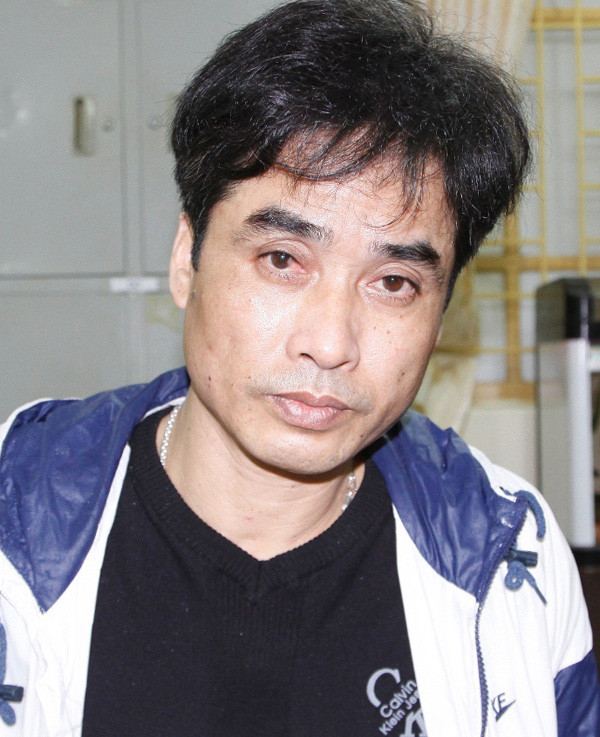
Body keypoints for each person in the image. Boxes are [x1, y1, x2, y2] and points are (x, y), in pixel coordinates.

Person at [0, 0, 598, 734]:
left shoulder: (510, 557)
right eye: (282, 260)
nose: (331, 341)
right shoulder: (16, 525)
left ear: (442, 315)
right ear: (187, 259)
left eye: (394, 282)